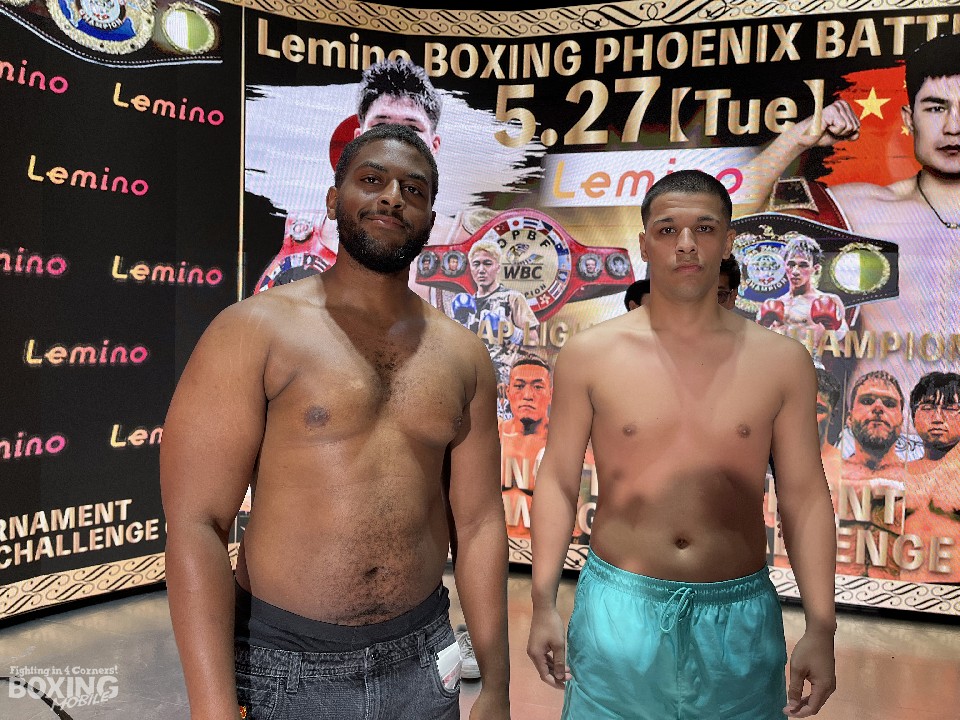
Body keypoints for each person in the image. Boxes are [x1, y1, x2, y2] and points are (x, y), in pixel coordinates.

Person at [161, 124, 510, 720]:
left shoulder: (464, 355)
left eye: (413, 189)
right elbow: (197, 524)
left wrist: (497, 686)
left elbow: (478, 524)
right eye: (372, 180)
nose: (392, 197)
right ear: (332, 200)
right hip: (283, 666)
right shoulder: (253, 330)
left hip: (424, 661)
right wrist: (212, 708)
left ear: (430, 218)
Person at [527, 169, 837, 719]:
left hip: (738, 622)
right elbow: (557, 479)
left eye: (705, 228)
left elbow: (805, 496)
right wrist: (542, 600)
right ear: (643, 243)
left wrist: (821, 624)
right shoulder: (589, 355)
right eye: (668, 230)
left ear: (728, 241)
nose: (686, 244)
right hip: (617, 612)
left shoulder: (781, 362)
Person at [738, 32, 960, 390]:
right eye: (936, 108)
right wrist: (797, 139)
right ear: (909, 119)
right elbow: (722, 215)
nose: (953, 127)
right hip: (874, 422)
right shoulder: (863, 210)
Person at [837, 371, 908, 579]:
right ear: (849, 418)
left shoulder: (921, 481)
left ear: (902, 421)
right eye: (867, 401)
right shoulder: (823, 475)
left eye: (889, 403)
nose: (878, 408)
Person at [458, 239, 540, 398]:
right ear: (470, 268)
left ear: (498, 267)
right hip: (474, 380)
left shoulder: (512, 298)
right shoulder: (466, 304)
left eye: (487, 263)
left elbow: (534, 339)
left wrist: (510, 331)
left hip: (506, 381)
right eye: (476, 264)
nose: (481, 270)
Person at [755, 234, 847, 354]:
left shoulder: (829, 300)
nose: (795, 271)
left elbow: (844, 346)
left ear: (815, 268)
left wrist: (834, 327)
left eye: (803, 265)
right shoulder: (774, 304)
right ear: (784, 266)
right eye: (791, 264)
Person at [500, 354, 553, 540]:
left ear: (551, 394)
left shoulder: (565, 443)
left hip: (544, 550)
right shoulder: (490, 437)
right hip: (496, 548)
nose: (528, 396)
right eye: (519, 386)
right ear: (508, 392)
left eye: (538, 387)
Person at [907, 371, 960, 475]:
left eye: (950, 408)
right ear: (913, 417)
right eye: (928, 408)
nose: (937, 418)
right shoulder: (898, 474)